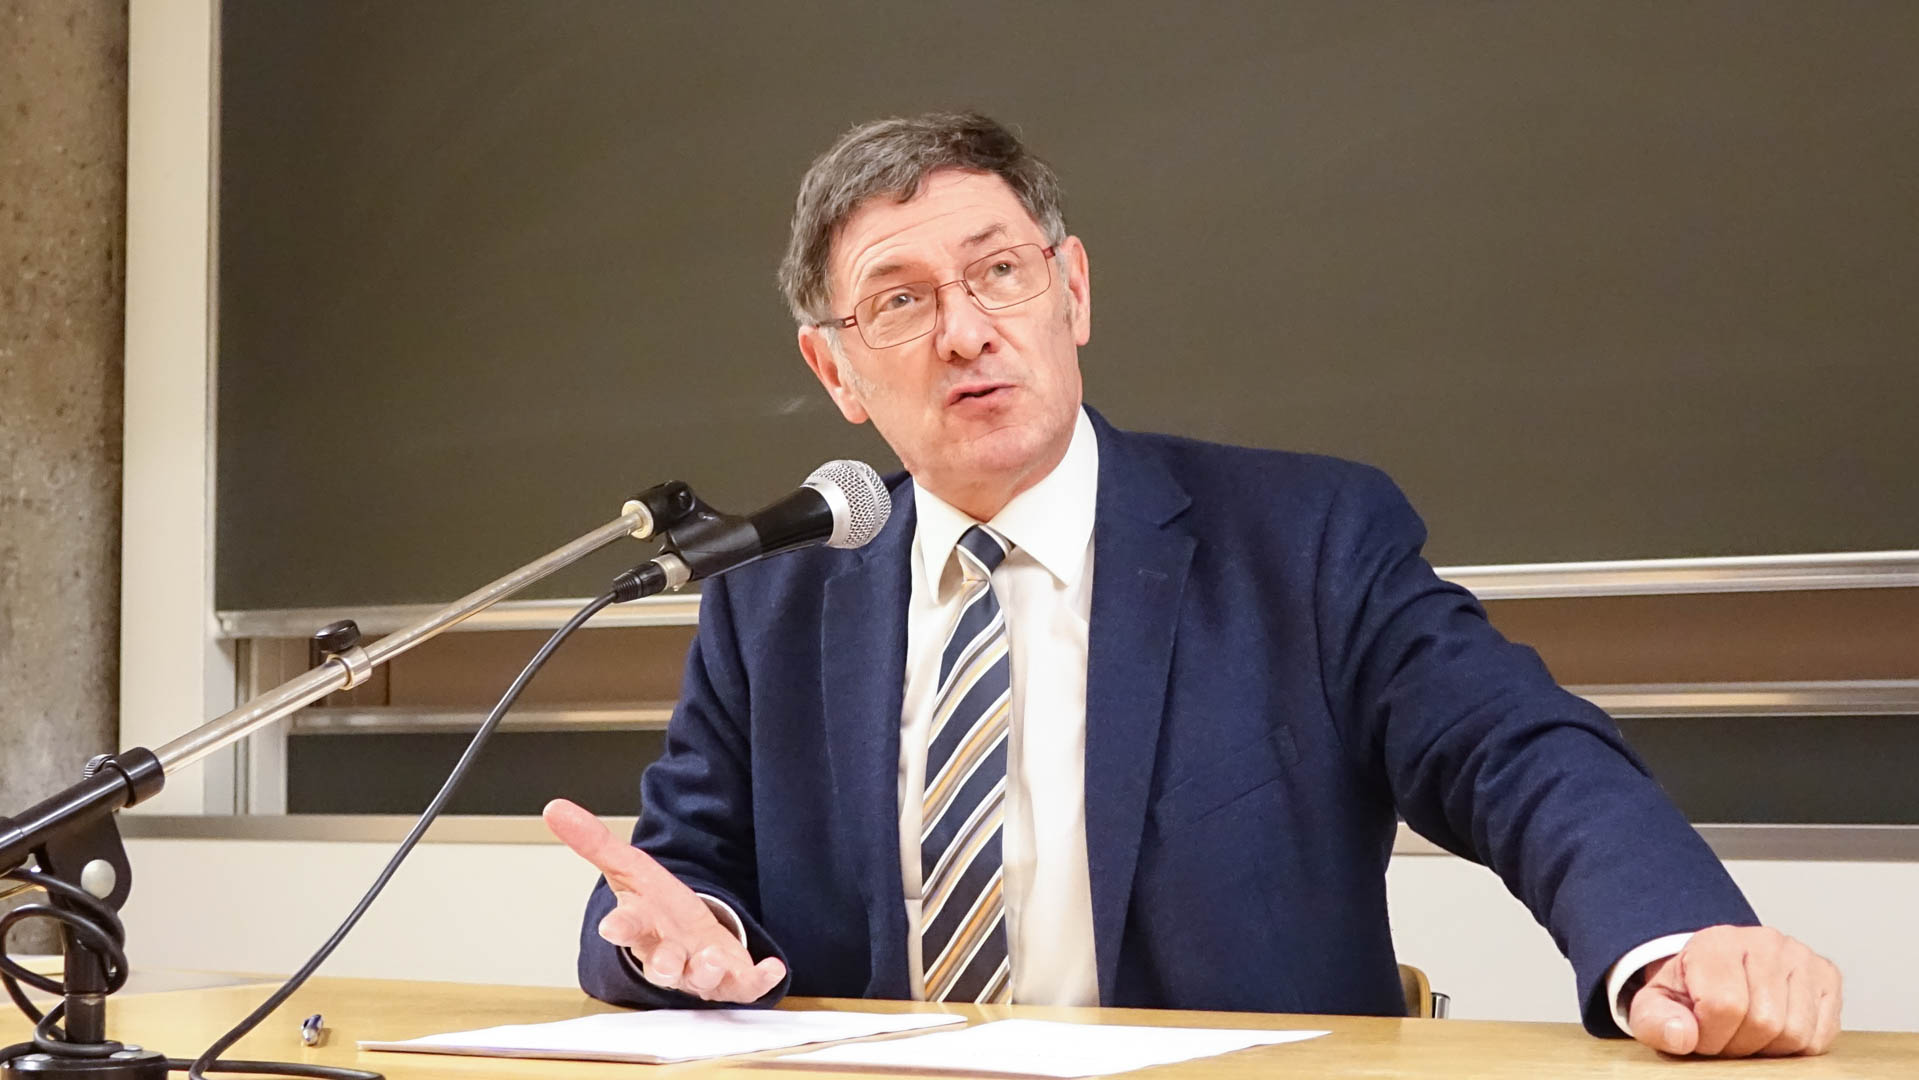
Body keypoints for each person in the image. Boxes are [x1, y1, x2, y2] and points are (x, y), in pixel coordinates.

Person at [544, 112, 1843, 1057]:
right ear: (836, 374)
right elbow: (682, 874)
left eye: (1000, 270)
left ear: (1072, 291)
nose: (965, 328)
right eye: (899, 300)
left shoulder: (1306, 537)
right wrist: (670, 935)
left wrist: (1675, 941)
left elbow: (1514, 752)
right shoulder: (777, 595)